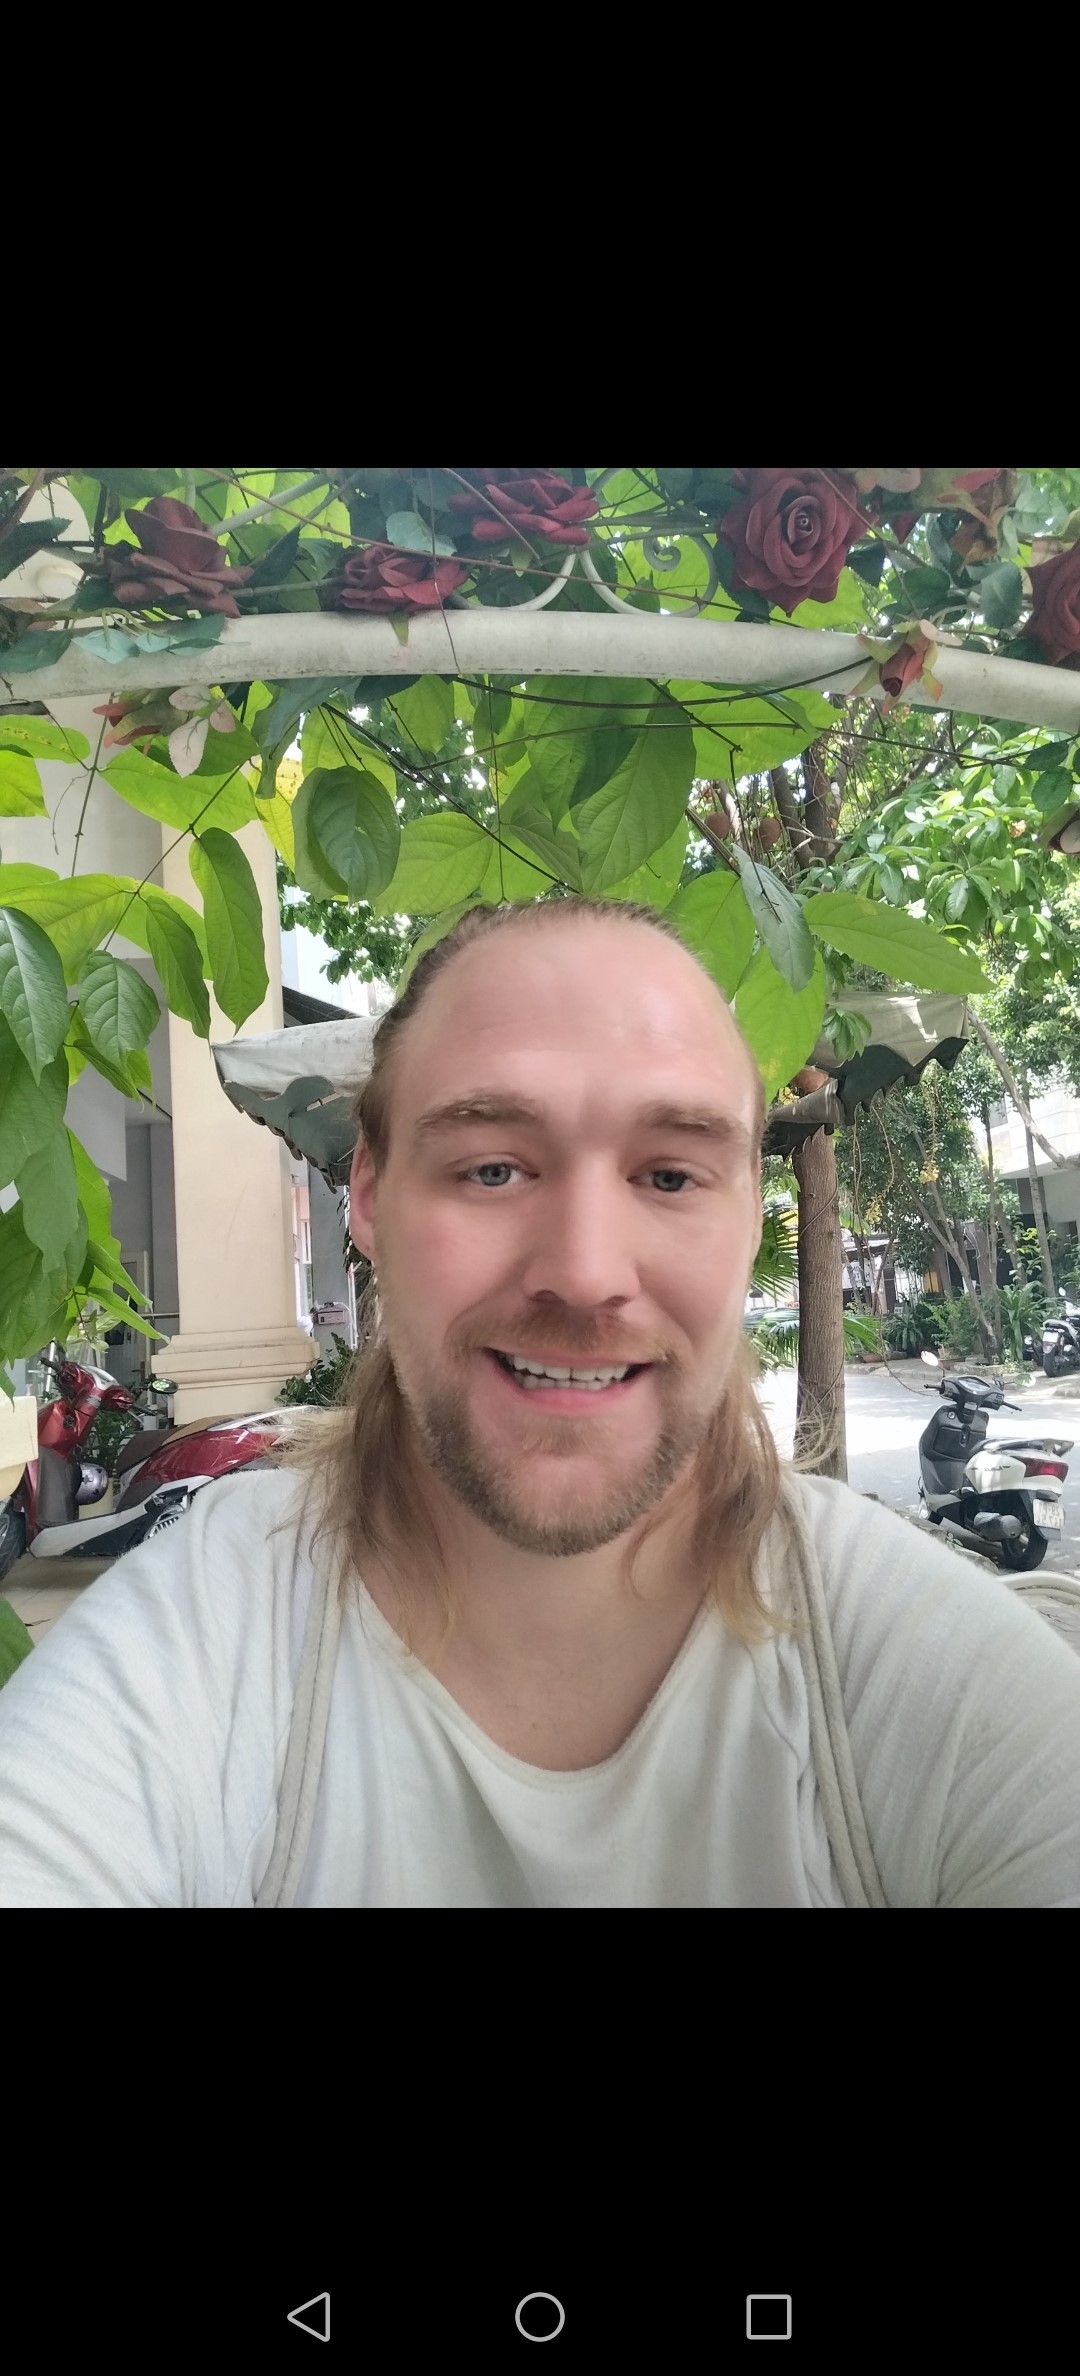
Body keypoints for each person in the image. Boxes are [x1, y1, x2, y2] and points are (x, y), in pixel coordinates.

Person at [0, 895, 1078, 1908]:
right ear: (368, 1196)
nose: (585, 1271)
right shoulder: (210, 1630)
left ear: (752, 1213)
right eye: (492, 1170)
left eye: (670, 1176)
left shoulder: (912, 1663)